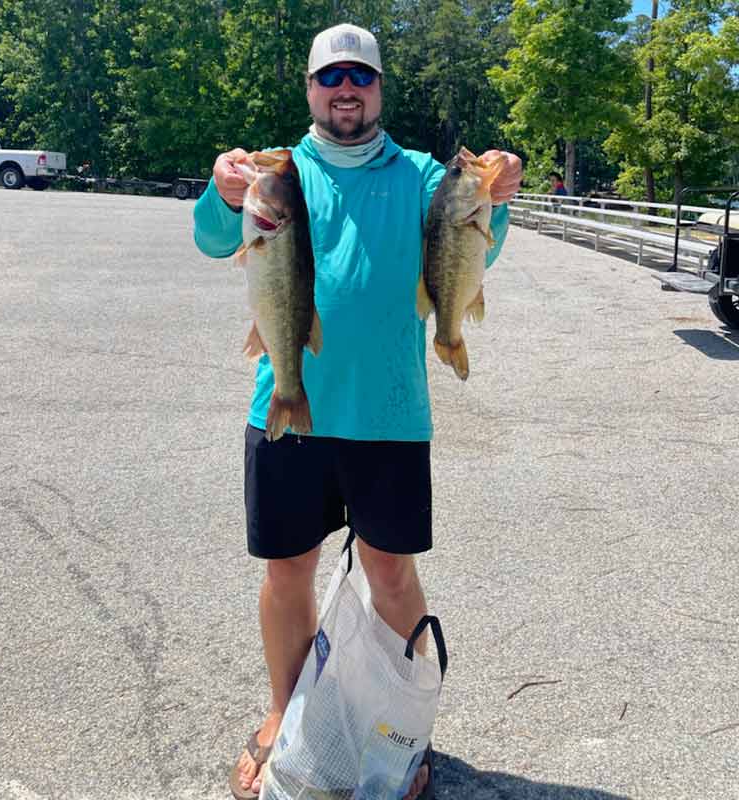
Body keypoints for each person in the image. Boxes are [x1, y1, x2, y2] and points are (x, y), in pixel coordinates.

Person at [193, 23, 522, 800]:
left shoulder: (416, 174)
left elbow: (474, 244)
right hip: (287, 404)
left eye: (361, 77)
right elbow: (214, 238)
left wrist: (497, 189)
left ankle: (397, 729)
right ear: (311, 89)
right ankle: (286, 713)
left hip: (391, 414)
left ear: (379, 89)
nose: (347, 90)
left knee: (392, 576)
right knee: (286, 573)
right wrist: (223, 189)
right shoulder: (278, 174)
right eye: (331, 77)